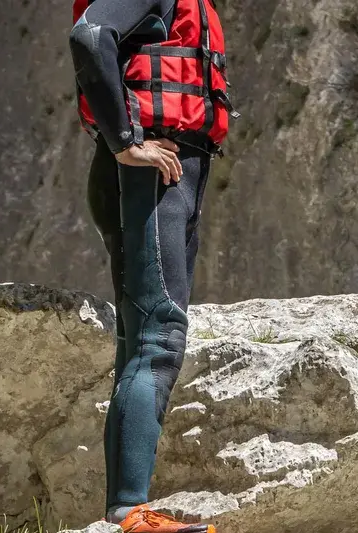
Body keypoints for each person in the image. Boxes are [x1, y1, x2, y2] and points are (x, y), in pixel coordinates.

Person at [70, 0, 237, 530]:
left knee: (140, 341)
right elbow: (90, 36)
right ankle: (129, 513)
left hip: (161, 172)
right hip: (149, 172)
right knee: (159, 335)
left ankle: (124, 508)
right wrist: (126, 143)